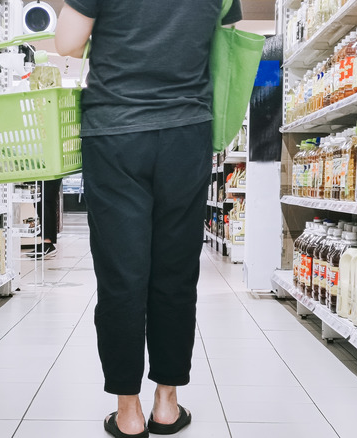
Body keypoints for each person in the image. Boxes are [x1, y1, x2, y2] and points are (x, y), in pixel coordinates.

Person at [55, 1, 242, 437]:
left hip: (115, 131)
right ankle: (166, 403)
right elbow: (227, 40)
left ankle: (127, 411)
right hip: (186, 130)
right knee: (175, 274)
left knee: (122, 276)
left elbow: (67, 41)